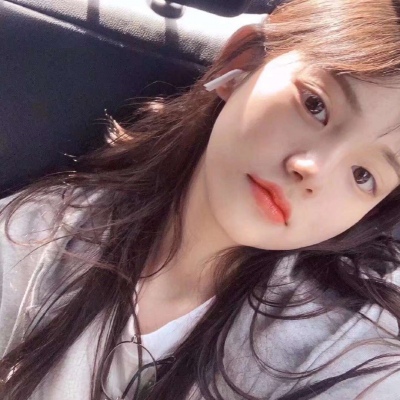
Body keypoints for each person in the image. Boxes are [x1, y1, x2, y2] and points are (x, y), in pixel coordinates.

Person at [2, 0, 400, 398]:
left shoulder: (348, 352)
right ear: (241, 62)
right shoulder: (39, 232)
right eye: (315, 105)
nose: (312, 170)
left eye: (363, 175)